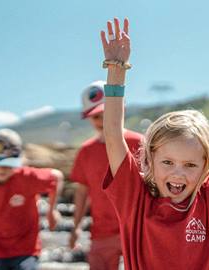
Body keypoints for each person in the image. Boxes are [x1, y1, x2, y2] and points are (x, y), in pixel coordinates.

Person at [100, 18, 209, 269]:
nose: (178, 173)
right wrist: (116, 69)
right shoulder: (134, 201)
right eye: (167, 162)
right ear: (149, 160)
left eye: (189, 164)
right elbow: (112, 133)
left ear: (206, 166)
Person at [0, 128, 64, 270]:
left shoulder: (27, 177)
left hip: (25, 246)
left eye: (7, 165)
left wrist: (51, 211)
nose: (1, 169)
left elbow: (57, 176)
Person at [69, 81, 143, 270]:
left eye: (106, 114)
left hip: (138, 230)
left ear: (121, 108)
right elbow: (81, 192)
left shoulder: (140, 143)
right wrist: (76, 227)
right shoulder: (86, 151)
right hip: (101, 232)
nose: (102, 121)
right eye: (95, 117)